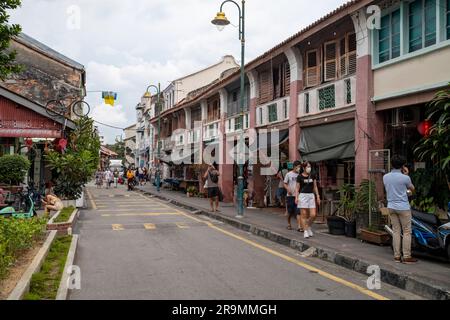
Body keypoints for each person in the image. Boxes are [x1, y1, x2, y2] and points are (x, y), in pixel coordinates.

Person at [383, 155, 417, 264]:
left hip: (391, 206)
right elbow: (412, 189)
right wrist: (406, 174)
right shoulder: (405, 178)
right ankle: (406, 256)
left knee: (396, 231)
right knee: (407, 231)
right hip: (403, 207)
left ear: (392, 164)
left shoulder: (385, 177)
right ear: (402, 166)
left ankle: (397, 256)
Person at [295, 161, 320, 239]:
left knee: (313, 214)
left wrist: (318, 196)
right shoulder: (299, 177)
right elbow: (297, 188)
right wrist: (296, 197)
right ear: (304, 168)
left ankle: (307, 226)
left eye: (310, 166)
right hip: (303, 196)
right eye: (307, 167)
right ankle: (305, 231)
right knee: (304, 214)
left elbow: (315, 187)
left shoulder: (313, 175)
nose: (309, 168)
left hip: (311, 196)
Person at [284, 160, 302, 231]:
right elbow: (285, 183)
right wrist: (288, 189)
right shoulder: (288, 174)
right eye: (298, 167)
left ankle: (299, 226)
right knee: (290, 211)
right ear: (294, 167)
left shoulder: (300, 175)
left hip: (297, 196)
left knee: (298, 211)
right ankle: (289, 223)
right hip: (290, 196)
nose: (299, 168)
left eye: (300, 167)